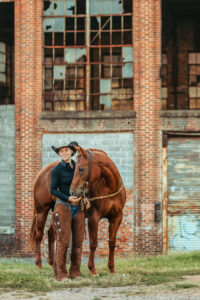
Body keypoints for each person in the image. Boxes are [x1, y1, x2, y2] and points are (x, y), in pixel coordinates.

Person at [50, 141, 85, 281]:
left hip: (79, 207)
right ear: (59, 154)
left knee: (78, 241)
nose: (64, 153)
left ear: (71, 152)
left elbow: (83, 184)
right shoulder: (56, 170)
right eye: (61, 151)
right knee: (63, 241)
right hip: (63, 206)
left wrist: (85, 198)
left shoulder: (78, 168)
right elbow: (52, 190)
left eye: (66, 150)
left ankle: (75, 272)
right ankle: (61, 274)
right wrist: (68, 198)